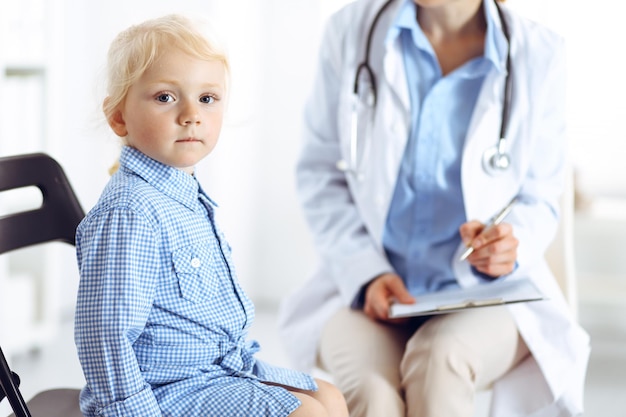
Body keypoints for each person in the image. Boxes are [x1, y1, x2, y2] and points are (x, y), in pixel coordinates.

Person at [278, 1, 590, 416]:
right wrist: (365, 272)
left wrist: (510, 244)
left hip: (489, 296)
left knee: (439, 361)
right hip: (365, 291)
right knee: (372, 394)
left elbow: (541, 195)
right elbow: (320, 173)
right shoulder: (351, 30)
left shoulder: (538, 53)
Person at [73, 14, 348, 417]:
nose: (191, 115)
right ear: (119, 116)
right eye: (165, 97)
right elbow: (104, 338)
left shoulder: (182, 195)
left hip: (216, 368)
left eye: (207, 98)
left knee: (329, 397)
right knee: (308, 414)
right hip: (164, 389)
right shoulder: (130, 212)